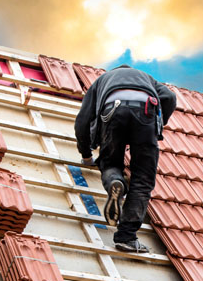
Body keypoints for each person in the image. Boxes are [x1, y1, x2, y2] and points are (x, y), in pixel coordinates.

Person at [74, 65, 176, 253]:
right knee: (142, 179)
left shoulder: (102, 81)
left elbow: (82, 121)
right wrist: (157, 127)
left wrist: (86, 154)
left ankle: (115, 181)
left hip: (112, 111)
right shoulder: (146, 78)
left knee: (111, 163)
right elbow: (169, 98)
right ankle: (126, 237)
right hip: (146, 112)